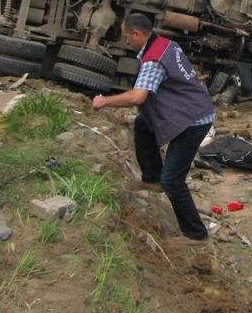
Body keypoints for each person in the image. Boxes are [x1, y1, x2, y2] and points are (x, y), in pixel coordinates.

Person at [92, 14, 215, 246]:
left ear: (137, 34)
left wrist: (105, 101)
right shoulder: (166, 44)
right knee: (143, 123)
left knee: (173, 181)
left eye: (127, 37)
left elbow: (138, 96)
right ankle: (152, 178)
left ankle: (196, 235)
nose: (127, 41)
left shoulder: (154, 60)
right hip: (192, 109)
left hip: (193, 121)